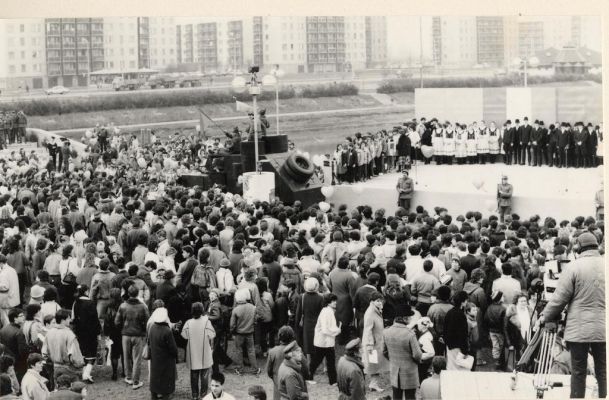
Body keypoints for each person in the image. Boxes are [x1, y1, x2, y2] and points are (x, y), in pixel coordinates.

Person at [540, 232, 606, 399]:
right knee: (603, 371)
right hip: (603, 327)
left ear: (579, 247)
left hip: (579, 329)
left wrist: (544, 316)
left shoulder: (573, 267)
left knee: (578, 371)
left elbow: (559, 299)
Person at [383, 303, 422, 400]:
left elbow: (384, 351)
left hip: (394, 369)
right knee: (410, 396)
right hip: (409, 371)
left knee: (396, 396)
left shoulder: (386, 332)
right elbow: (417, 355)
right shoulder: (410, 334)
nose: (411, 319)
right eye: (410, 317)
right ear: (404, 318)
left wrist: (393, 359)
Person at [114, 284, 150, 390]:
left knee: (126, 357)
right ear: (138, 293)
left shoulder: (123, 306)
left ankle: (128, 377)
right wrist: (143, 330)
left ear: (128, 293)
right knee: (137, 359)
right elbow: (147, 321)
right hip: (138, 335)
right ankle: (136, 381)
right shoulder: (143, 306)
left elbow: (117, 322)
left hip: (125, 334)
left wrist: (122, 328)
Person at [181, 302, 216, 400]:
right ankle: (203, 395)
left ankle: (195, 395)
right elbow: (212, 334)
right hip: (204, 351)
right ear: (202, 311)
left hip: (193, 351)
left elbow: (184, 335)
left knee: (194, 374)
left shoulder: (188, 322)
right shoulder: (206, 322)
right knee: (205, 374)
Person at [309, 292, 340, 386]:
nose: (335, 302)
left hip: (327, 341)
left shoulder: (329, 311)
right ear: (328, 302)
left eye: (335, 300)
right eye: (333, 301)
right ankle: (307, 377)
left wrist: (335, 331)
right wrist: (336, 331)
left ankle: (333, 381)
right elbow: (325, 329)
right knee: (316, 361)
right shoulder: (326, 312)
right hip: (322, 342)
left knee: (330, 361)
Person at [71, 284, 100, 383]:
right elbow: (95, 319)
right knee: (91, 353)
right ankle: (86, 374)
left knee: (83, 351)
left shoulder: (76, 302)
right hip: (90, 332)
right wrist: (98, 332)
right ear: (86, 291)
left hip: (79, 331)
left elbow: (73, 318)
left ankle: (85, 372)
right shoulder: (90, 303)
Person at [148, 306, 178, 400]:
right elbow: (173, 348)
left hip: (155, 358)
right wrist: (175, 355)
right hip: (166, 360)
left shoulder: (152, 327)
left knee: (155, 377)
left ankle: (154, 395)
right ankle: (165, 395)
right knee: (166, 378)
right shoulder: (167, 330)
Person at [362, 291, 388, 392]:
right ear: (372, 301)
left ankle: (373, 384)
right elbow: (368, 330)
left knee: (374, 365)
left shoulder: (376, 310)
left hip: (376, 342)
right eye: (377, 301)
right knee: (372, 365)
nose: (380, 302)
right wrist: (369, 345)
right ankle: (369, 384)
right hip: (372, 344)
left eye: (380, 300)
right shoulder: (370, 313)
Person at [229, 288, 258, 375]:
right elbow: (256, 321)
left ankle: (240, 369)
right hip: (250, 332)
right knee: (251, 351)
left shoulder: (236, 310)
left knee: (239, 351)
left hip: (239, 333)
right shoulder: (253, 308)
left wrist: (232, 332)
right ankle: (254, 369)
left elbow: (232, 325)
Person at [443, 291, 469, 371]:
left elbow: (445, 329)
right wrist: (465, 349)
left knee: (451, 367)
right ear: (463, 302)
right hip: (458, 347)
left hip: (449, 346)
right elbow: (463, 334)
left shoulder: (450, 312)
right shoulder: (461, 315)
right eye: (466, 300)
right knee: (459, 369)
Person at [0, 308, 27, 381]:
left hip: (8, 362)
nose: (23, 317)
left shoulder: (3, 330)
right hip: (19, 363)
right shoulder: (19, 332)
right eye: (21, 316)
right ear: (15, 318)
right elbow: (23, 351)